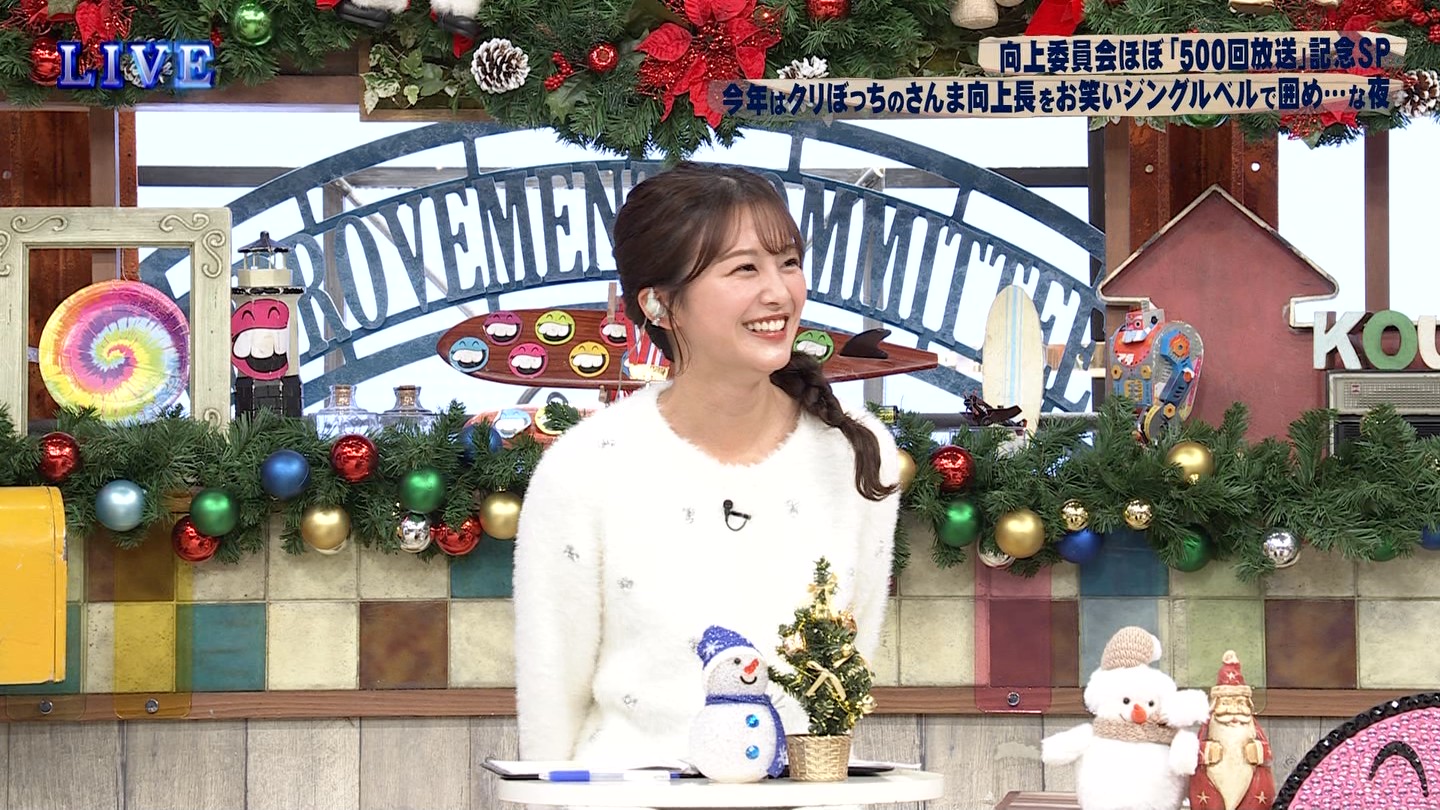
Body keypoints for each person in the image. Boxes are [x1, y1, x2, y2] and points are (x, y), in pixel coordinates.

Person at [512, 162, 903, 772]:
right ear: (660, 304)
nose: (779, 293)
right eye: (744, 268)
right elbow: (549, 700)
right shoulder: (585, 468)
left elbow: (846, 683)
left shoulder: (856, 452)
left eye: (788, 262)